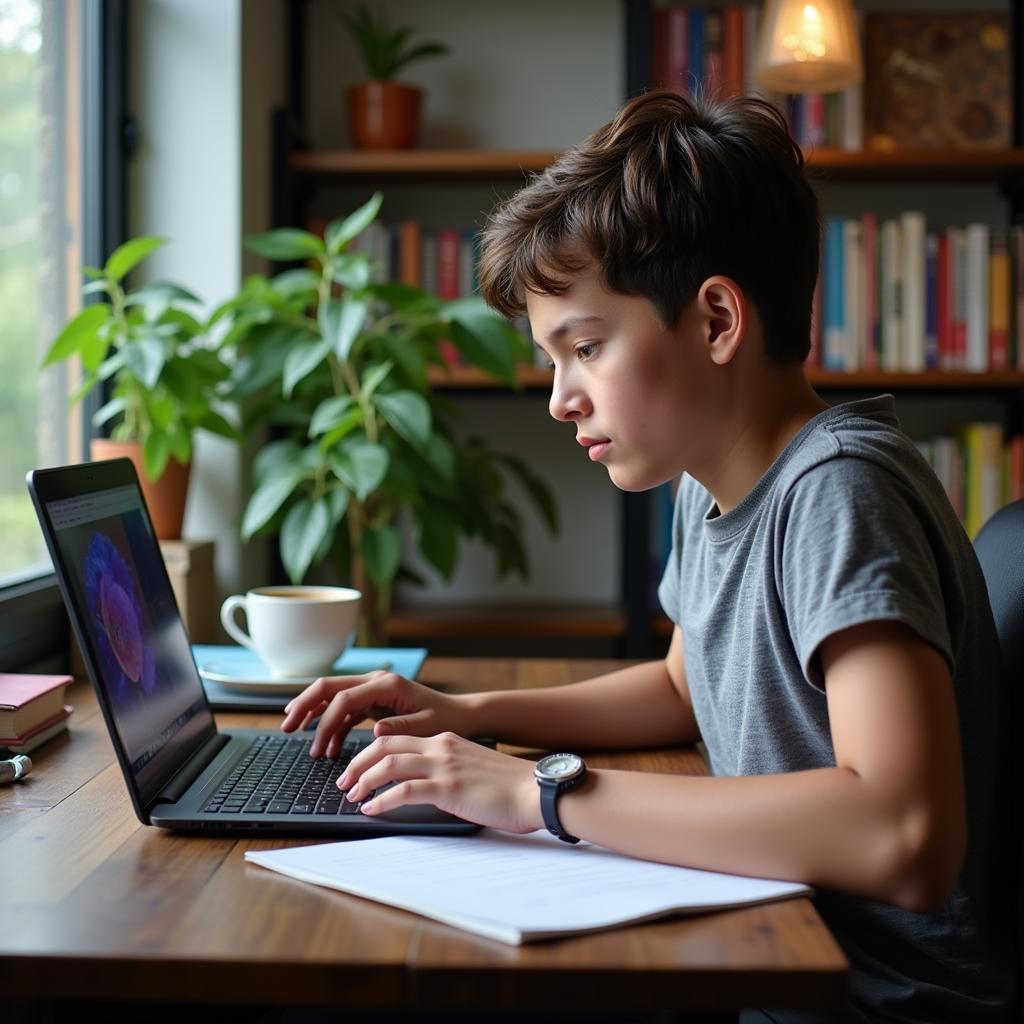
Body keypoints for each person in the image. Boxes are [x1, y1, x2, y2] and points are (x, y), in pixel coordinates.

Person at [280, 89, 1017, 1023]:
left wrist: (537, 792)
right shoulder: (710, 484)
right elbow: (682, 685)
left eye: (585, 348)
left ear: (715, 322)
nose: (560, 399)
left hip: (868, 998)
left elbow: (903, 835)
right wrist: (470, 712)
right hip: (777, 939)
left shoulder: (836, 492)